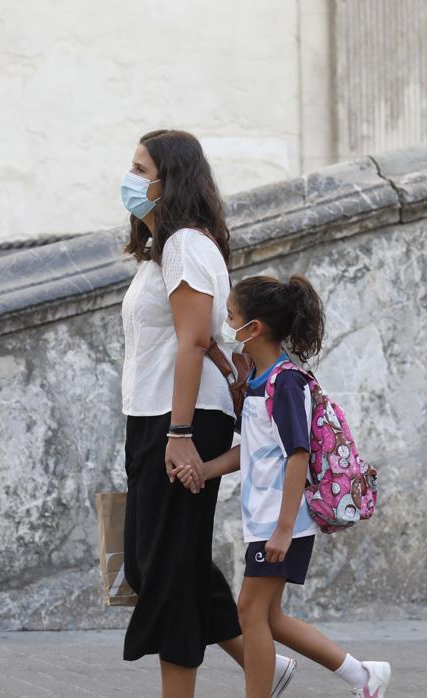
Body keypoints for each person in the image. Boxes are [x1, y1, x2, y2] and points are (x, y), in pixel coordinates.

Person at [117, 129, 295, 698]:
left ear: (170, 182)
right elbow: (203, 339)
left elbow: (192, 340)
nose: (131, 179)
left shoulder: (186, 245)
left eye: (141, 170)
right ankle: (261, 663)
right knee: (155, 566)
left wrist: (180, 432)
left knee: (165, 572)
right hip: (153, 413)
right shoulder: (162, 250)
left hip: (178, 417)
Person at [174, 275, 393, 698]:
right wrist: (203, 469)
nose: (225, 321)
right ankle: (362, 676)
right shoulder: (257, 381)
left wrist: (284, 529)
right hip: (268, 520)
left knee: (248, 613)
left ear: (253, 328)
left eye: (232, 315)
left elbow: (298, 456)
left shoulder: (286, 382)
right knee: (267, 617)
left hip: (282, 522)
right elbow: (253, 451)